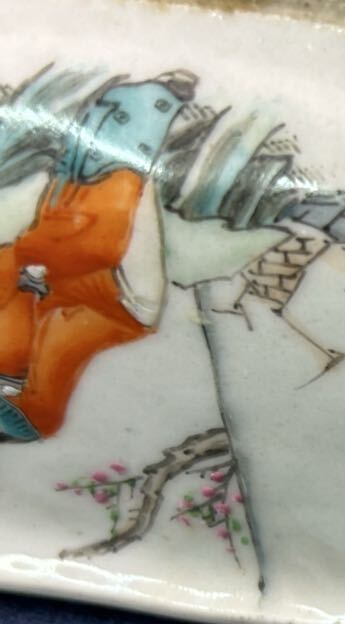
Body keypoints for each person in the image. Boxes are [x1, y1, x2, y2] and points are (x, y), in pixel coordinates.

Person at [0, 71, 197, 441]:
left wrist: (31, 265)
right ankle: (7, 373)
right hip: (94, 286)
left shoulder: (120, 182)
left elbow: (90, 250)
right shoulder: (75, 176)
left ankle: (34, 416)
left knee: (58, 324)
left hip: (102, 285)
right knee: (21, 285)